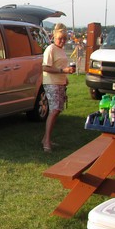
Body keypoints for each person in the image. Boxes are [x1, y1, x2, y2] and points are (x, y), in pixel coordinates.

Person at [41, 23, 75, 152]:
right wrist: (62, 70)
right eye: (60, 38)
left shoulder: (60, 50)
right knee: (54, 109)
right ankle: (47, 141)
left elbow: (61, 67)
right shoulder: (51, 49)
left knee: (58, 109)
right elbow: (45, 67)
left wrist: (65, 76)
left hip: (60, 81)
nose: (62, 41)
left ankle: (46, 138)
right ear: (54, 37)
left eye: (64, 39)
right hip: (51, 82)